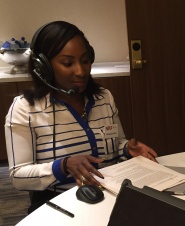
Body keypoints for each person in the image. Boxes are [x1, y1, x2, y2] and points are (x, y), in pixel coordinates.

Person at [5, 21, 157, 213]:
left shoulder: (104, 97)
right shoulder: (25, 108)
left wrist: (127, 148)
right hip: (62, 206)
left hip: (113, 198)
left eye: (85, 60)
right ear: (43, 66)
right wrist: (63, 166)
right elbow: (18, 176)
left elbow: (115, 144)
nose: (81, 71)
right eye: (68, 63)